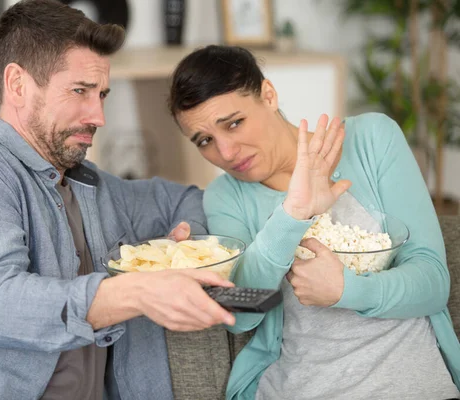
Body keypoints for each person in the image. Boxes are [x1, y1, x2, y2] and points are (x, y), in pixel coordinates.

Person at [0, 2, 236, 399]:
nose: (98, 116)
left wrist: (188, 245)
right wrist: (140, 291)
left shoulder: (94, 187)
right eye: (79, 91)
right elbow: (1, 304)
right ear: (18, 85)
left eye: (102, 95)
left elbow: (185, 200)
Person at [168, 45, 460, 400]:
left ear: (269, 95)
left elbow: (432, 282)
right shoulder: (226, 196)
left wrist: (346, 291)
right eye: (205, 140)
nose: (226, 153)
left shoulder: (371, 140)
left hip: (409, 383)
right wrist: (293, 213)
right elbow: (242, 315)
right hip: (301, 386)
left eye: (234, 123)